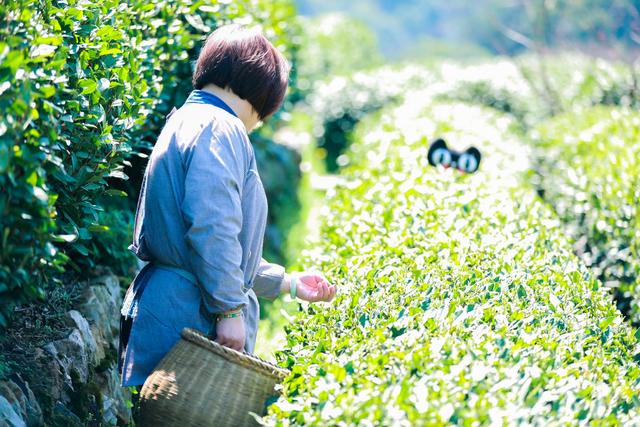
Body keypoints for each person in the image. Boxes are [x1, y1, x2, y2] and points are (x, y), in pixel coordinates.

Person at [118, 24, 337, 388]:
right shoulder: (220, 127)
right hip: (190, 314)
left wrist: (288, 283)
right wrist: (229, 309)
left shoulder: (189, 119)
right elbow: (212, 225)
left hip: (171, 306)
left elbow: (217, 241)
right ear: (259, 90)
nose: (259, 122)